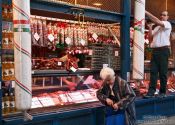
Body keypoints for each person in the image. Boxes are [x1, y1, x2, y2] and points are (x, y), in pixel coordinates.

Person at [145, 10, 172, 98]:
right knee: (153, 72)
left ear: (167, 17)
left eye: (164, 15)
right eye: (161, 15)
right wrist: (149, 27)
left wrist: (146, 12)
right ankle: (151, 92)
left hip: (164, 51)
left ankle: (162, 92)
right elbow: (150, 39)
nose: (162, 16)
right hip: (155, 51)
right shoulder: (156, 28)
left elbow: (156, 20)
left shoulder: (167, 24)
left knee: (163, 72)